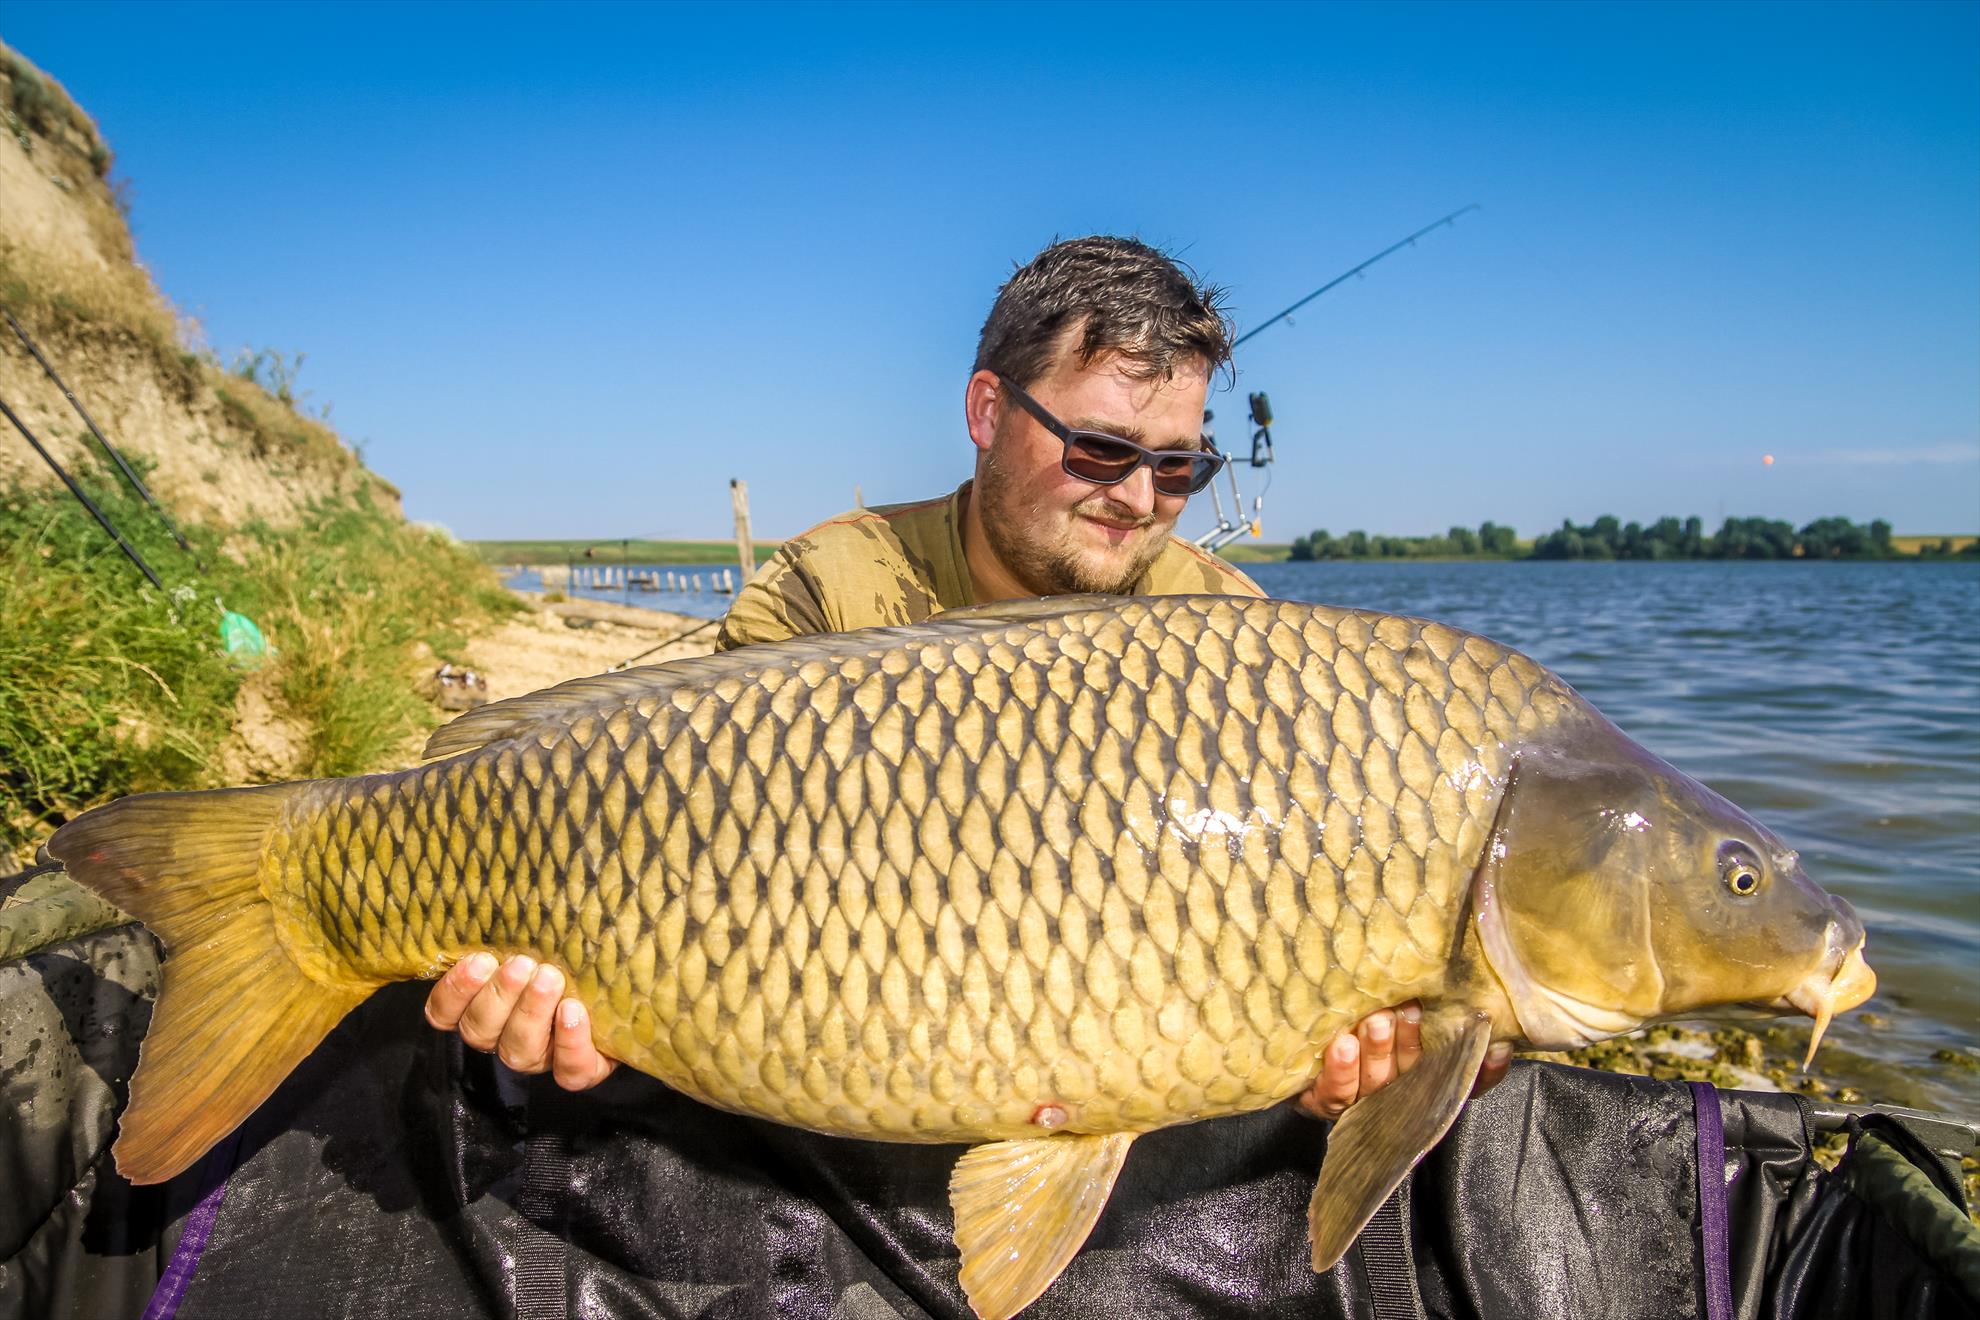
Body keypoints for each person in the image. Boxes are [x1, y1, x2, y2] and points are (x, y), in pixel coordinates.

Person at [423, 234, 1511, 1118]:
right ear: (989, 412)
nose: (1138, 497)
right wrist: (569, 1003)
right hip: (825, 1048)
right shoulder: (834, 588)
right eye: (1099, 448)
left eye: (1179, 465)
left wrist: (1346, 1074)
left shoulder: (1225, 631)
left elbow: (1283, 932)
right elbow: (701, 854)